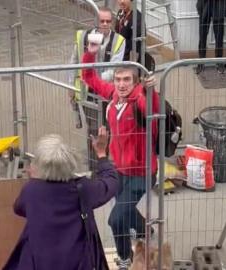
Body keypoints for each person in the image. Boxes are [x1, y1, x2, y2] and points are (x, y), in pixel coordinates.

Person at [81, 41, 159, 269]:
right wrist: (90, 53)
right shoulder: (113, 96)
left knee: (116, 219)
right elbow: (89, 78)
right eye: (118, 79)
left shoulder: (140, 100)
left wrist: (151, 91)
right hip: (120, 170)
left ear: (135, 82)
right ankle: (147, 231)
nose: (122, 84)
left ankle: (125, 258)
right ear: (113, 81)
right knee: (125, 211)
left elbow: (153, 114)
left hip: (141, 173)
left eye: (127, 80)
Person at [2, 127, 118, 270]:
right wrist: (101, 154)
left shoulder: (31, 191)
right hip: (78, 263)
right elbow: (111, 183)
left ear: (40, 166)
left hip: (39, 263)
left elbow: (18, 208)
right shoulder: (83, 188)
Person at [69, 6, 126, 171]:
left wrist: (94, 80)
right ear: (96, 21)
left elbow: (114, 68)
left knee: (106, 129)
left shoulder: (119, 41)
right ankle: (95, 167)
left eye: (109, 21)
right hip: (86, 93)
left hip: (106, 94)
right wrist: (71, 85)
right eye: (102, 21)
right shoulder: (83, 36)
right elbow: (74, 61)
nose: (106, 24)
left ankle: (103, 164)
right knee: (93, 129)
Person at [195, 0, 226, 73]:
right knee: (202, 35)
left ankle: (219, 61)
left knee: (219, 35)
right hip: (204, 4)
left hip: (219, 4)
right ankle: (201, 61)